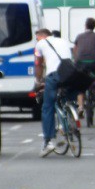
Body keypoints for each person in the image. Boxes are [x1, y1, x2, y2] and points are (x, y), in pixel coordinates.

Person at [34, 29, 76, 157]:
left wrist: (39, 80)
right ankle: (71, 116)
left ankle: (48, 141)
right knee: (67, 98)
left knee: (48, 106)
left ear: (42, 36)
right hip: (70, 73)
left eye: (37, 38)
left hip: (54, 75)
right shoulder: (62, 41)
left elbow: (38, 64)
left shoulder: (40, 44)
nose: (36, 40)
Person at [73, 17, 95, 117]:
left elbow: (75, 49)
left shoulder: (79, 36)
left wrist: (76, 59)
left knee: (80, 85)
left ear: (85, 25)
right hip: (94, 62)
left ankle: (80, 107)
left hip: (81, 63)